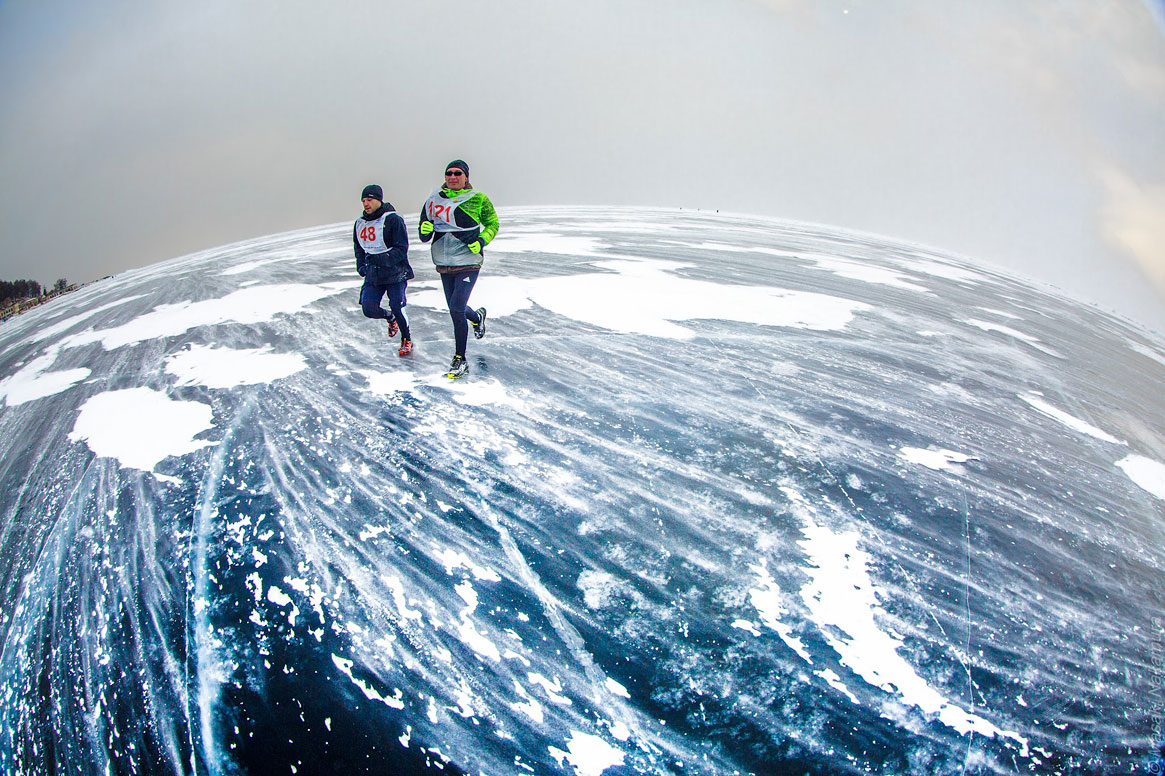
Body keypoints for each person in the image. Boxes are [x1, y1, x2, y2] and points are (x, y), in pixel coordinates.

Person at [418, 160, 499, 378]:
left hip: (469, 261)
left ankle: (460, 359)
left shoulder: (478, 199)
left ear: (466, 177)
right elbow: (424, 232)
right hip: (444, 263)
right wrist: (425, 231)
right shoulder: (433, 201)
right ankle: (477, 317)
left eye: (458, 173)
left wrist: (482, 240)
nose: (452, 177)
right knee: (458, 307)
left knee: (455, 308)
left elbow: (493, 223)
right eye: (449, 173)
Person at [355, 184, 413, 356]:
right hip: (374, 274)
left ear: (379, 200)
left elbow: (401, 249)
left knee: (397, 305)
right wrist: (361, 265)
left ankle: (406, 338)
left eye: (370, 200)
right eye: (364, 200)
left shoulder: (393, 220)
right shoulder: (360, 223)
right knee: (368, 308)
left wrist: (380, 259)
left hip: (395, 273)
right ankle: (390, 318)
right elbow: (358, 248)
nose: (366, 204)